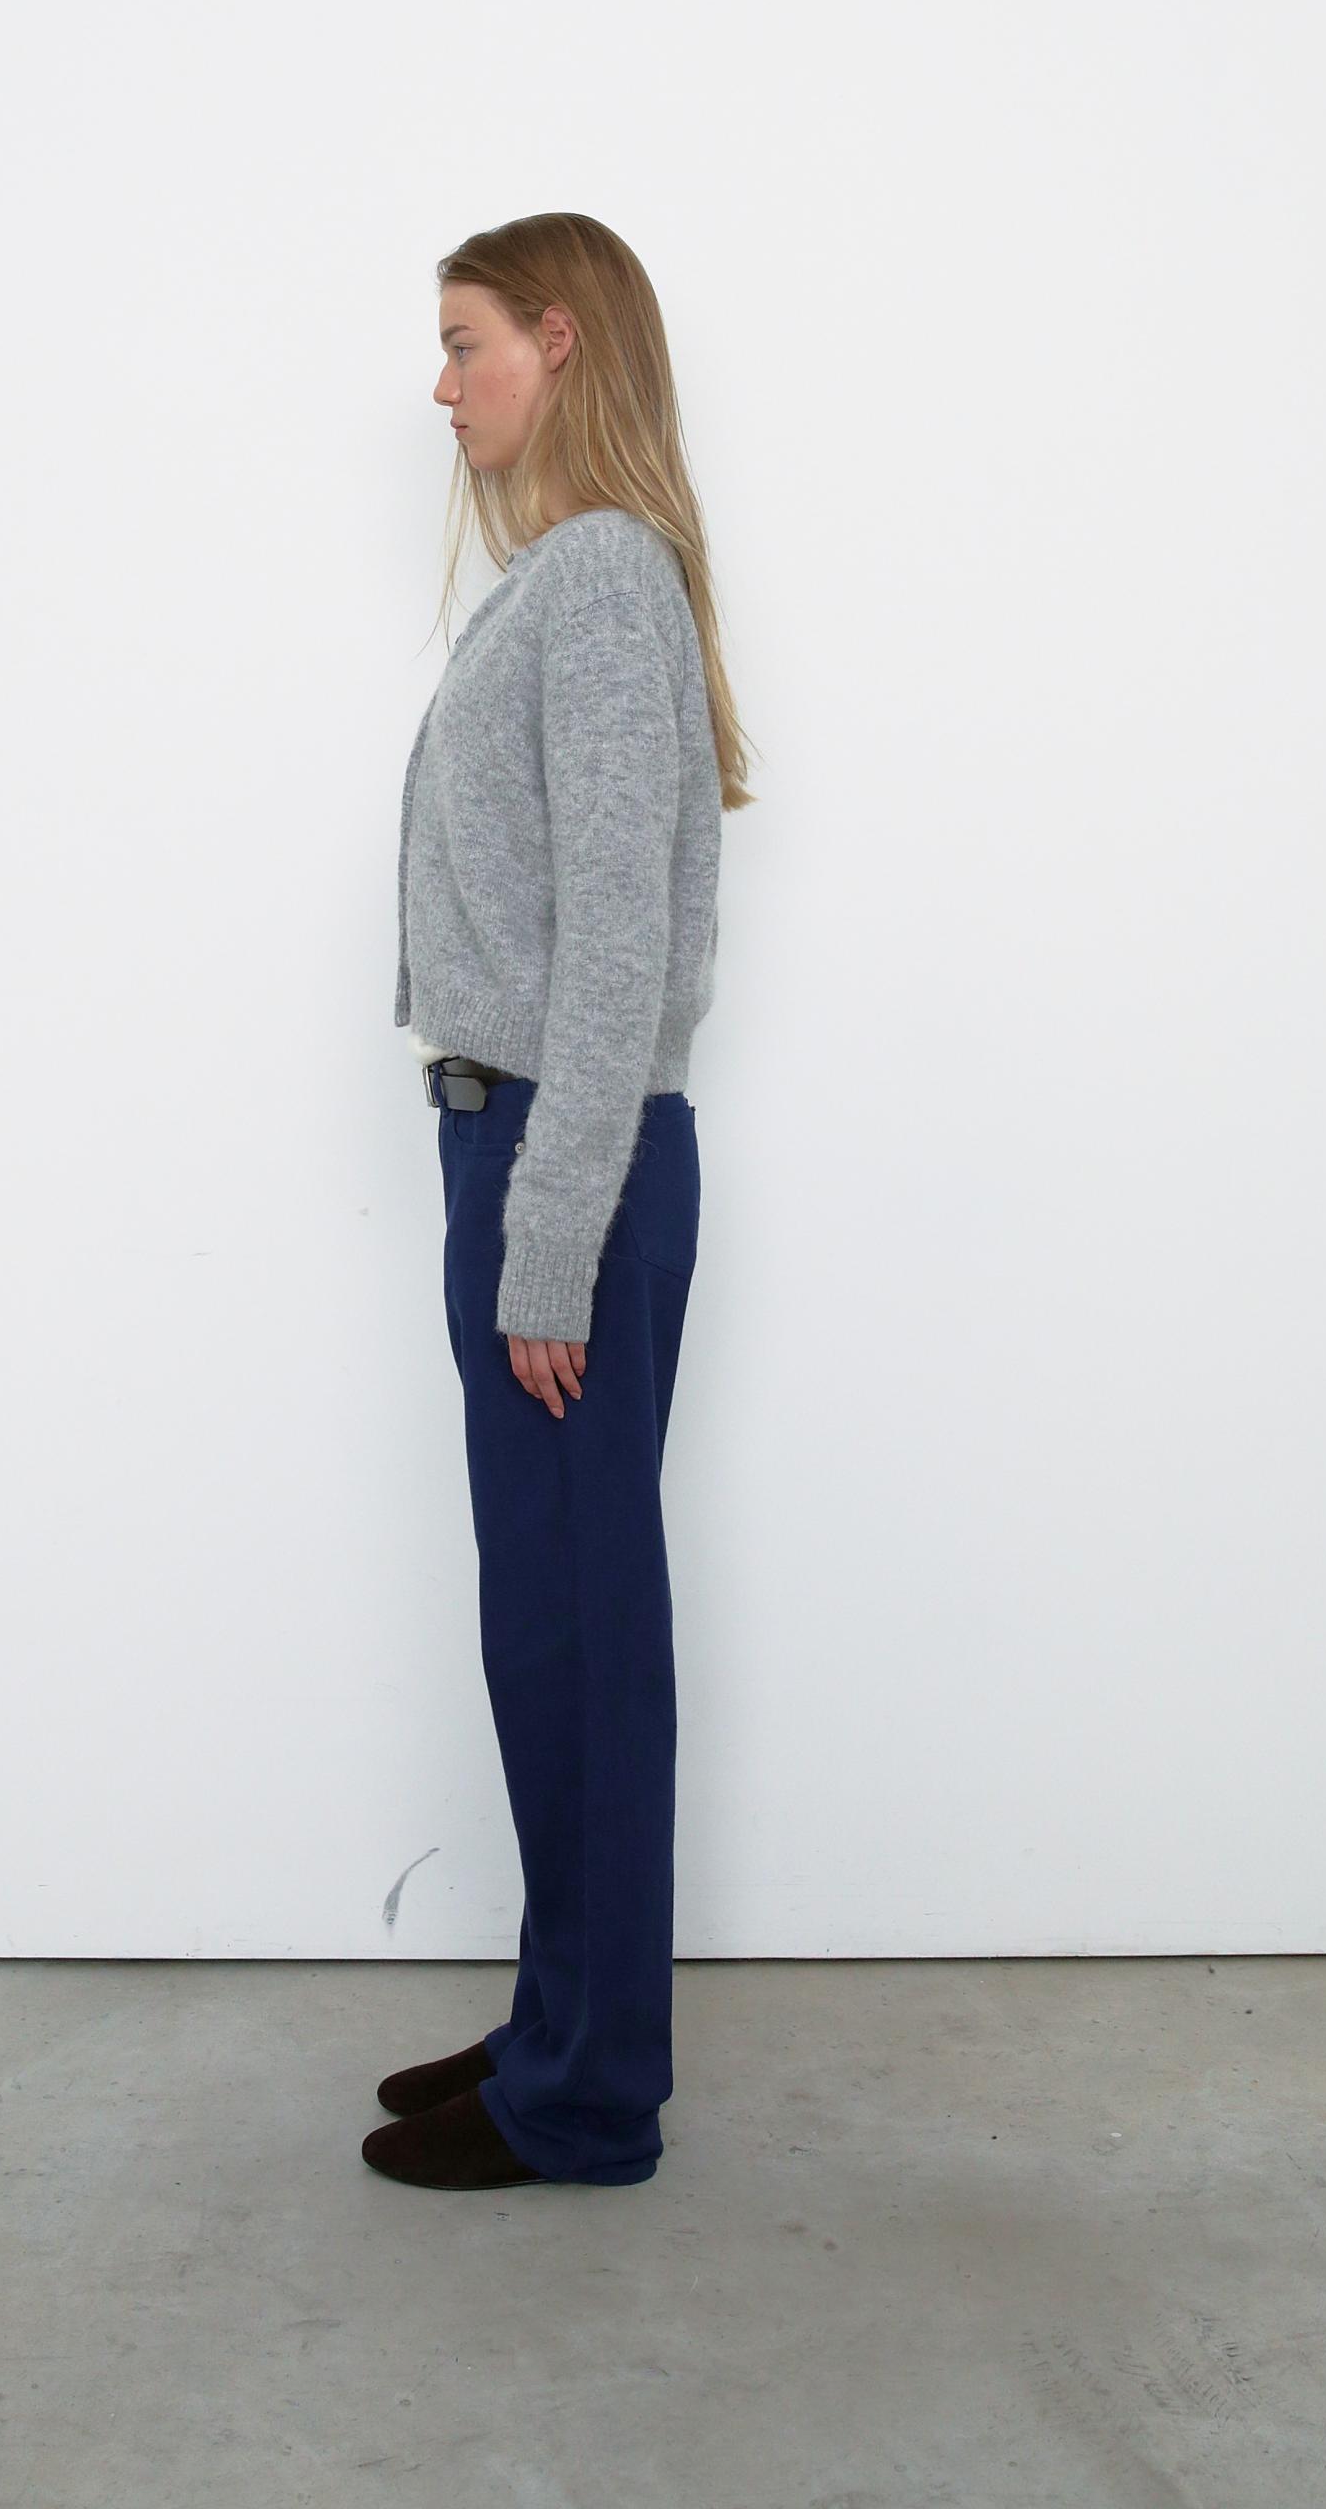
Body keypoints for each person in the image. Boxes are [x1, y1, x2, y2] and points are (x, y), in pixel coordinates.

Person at [362, 212, 756, 2191]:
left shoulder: (596, 580)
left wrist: (545, 1238)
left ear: (562, 339)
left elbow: (617, 954)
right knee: (550, 1630)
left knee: (580, 1637)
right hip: (527, 1153)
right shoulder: (576, 579)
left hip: (559, 1165)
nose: (441, 388)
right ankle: (559, 2025)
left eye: (466, 344)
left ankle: (590, 2097)